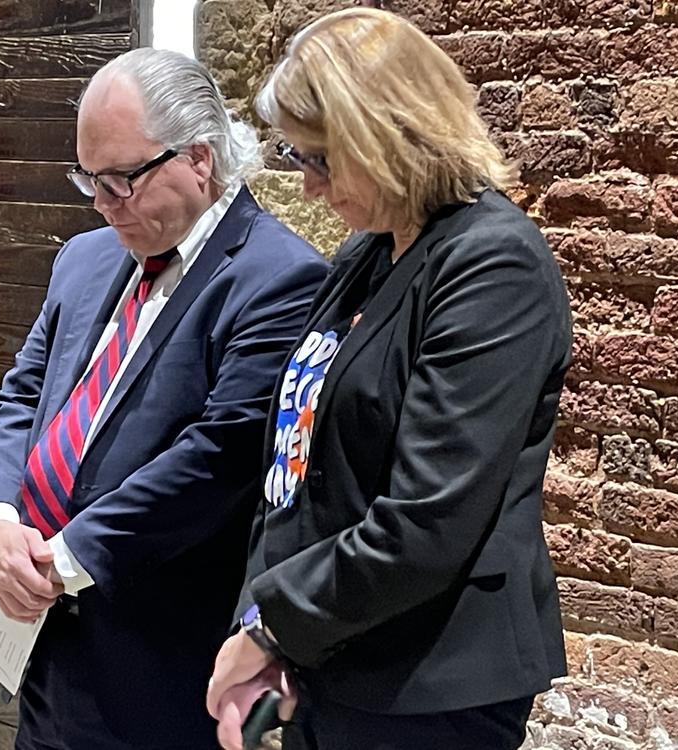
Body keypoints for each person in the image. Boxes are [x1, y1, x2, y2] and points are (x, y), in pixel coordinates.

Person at [206, 8, 571, 749]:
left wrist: (278, 626)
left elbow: (430, 519)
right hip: (338, 655)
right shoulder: (370, 252)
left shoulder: (493, 263)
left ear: (385, 134)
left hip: (431, 683)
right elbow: (293, 465)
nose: (308, 188)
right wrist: (265, 619)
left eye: (318, 159)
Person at [0, 47, 328, 750]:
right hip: (40, 643)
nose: (103, 203)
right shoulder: (85, 257)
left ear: (198, 157)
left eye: (123, 179)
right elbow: (21, 394)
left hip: (153, 653)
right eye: (88, 179)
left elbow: (222, 456)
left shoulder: (279, 278)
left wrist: (60, 561)